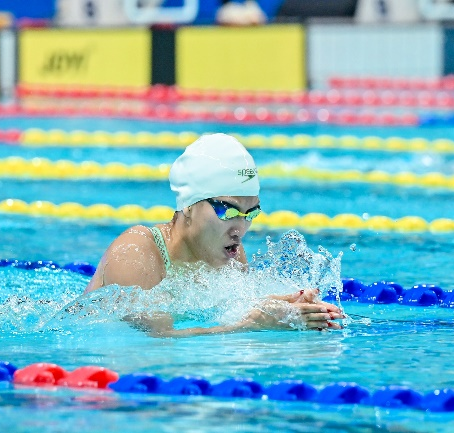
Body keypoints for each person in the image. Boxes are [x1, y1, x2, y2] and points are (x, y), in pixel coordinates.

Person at [85, 133, 344, 336]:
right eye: (228, 211)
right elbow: (160, 341)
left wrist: (289, 308)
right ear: (189, 205)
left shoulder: (229, 253)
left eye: (250, 214)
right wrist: (252, 325)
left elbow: (231, 309)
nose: (240, 229)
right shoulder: (137, 253)